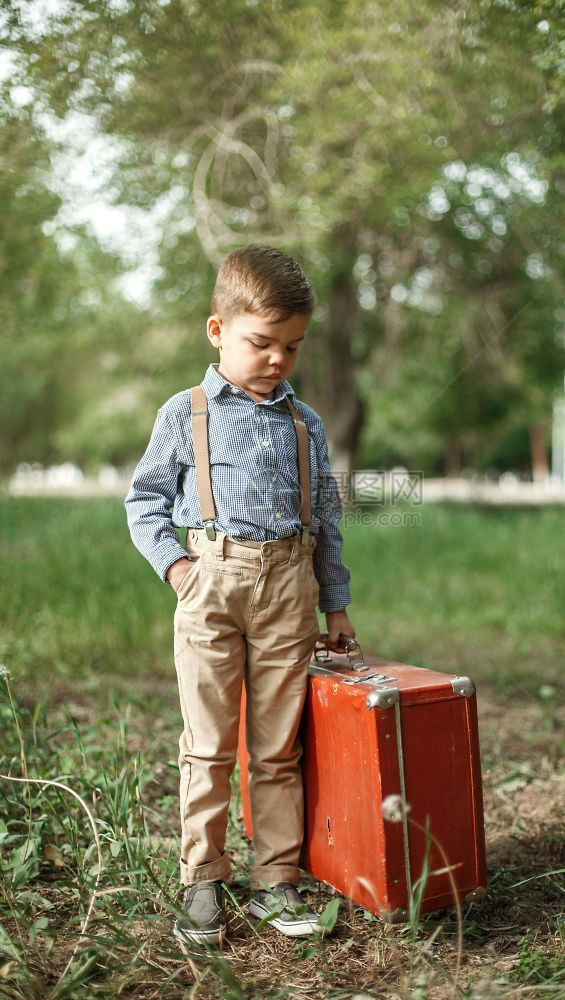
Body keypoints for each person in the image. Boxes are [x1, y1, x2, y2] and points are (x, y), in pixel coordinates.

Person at [124, 244, 354, 944]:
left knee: (276, 748)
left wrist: (333, 605)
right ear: (217, 330)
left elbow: (328, 519)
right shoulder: (186, 412)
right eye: (262, 343)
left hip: (290, 583)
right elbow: (143, 502)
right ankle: (202, 879)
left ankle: (274, 881)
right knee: (208, 744)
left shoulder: (304, 422)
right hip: (211, 584)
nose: (278, 359)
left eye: (292, 346)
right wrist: (178, 568)